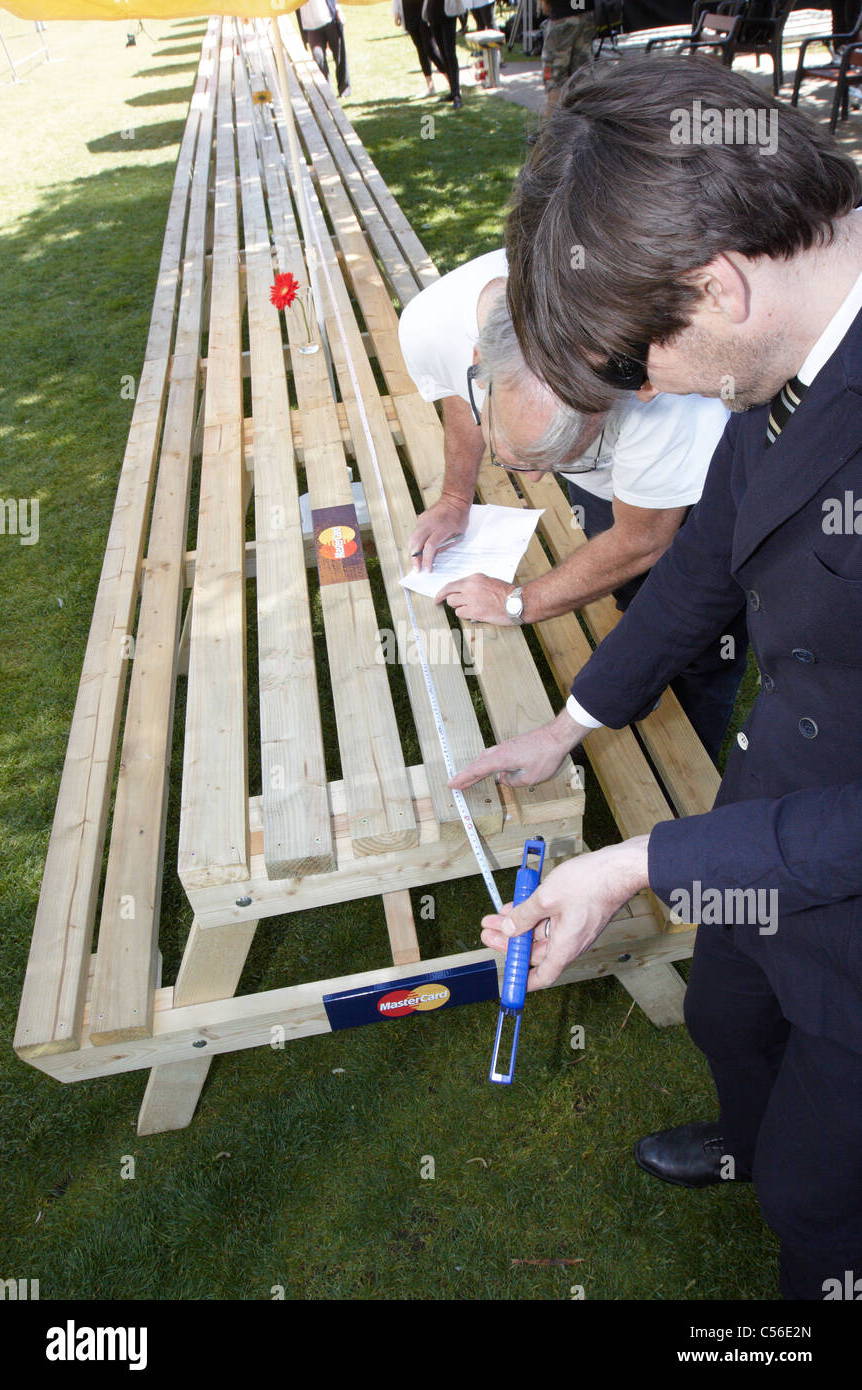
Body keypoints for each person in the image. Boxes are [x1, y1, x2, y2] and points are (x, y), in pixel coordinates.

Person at [452, 54, 862, 1300]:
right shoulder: (783, 344)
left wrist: (640, 862)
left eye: (635, 368)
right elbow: (697, 578)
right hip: (758, 830)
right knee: (724, 1016)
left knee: (821, 1193)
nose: (641, 398)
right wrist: (567, 727)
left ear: (716, 285)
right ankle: (750, 1141)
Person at [399, 250, 744, 762]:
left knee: (696, 636)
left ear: (614, 401)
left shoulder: (670, 400)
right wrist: (454, 497)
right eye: (516, 456)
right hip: (619, 473)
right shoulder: (431, 324)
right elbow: (457, 394)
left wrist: (520, 602)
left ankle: (686, 761)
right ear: (480, 365)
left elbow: (642, 539)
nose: (538, 478)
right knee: (627, 595)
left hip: (689, 493)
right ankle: (611, 701)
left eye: (560, 456)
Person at [538, 0, 596, 110]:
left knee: (554, 79)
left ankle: (553, 125)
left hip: (562, 15)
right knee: (583, 76)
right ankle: (585, 123)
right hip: (586, 13)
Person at [297, 0, 351, 100]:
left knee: (339, 55)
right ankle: (326, 92)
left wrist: (337, 8)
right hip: (311, 25)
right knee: (318, 58)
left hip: (329, 18)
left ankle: (344, 88)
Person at [394, 0, 446, 95]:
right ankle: (430, 85)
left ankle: (452, 81)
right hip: (408, 11)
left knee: (430, 49)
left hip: (424, 10)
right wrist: (396, 11)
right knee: (421, 50)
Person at [423, 0, 463, 108]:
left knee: (450, 54)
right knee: (443, 54)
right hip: (433, 13)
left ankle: (457, 94)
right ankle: (453, 91)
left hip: (447, 13)